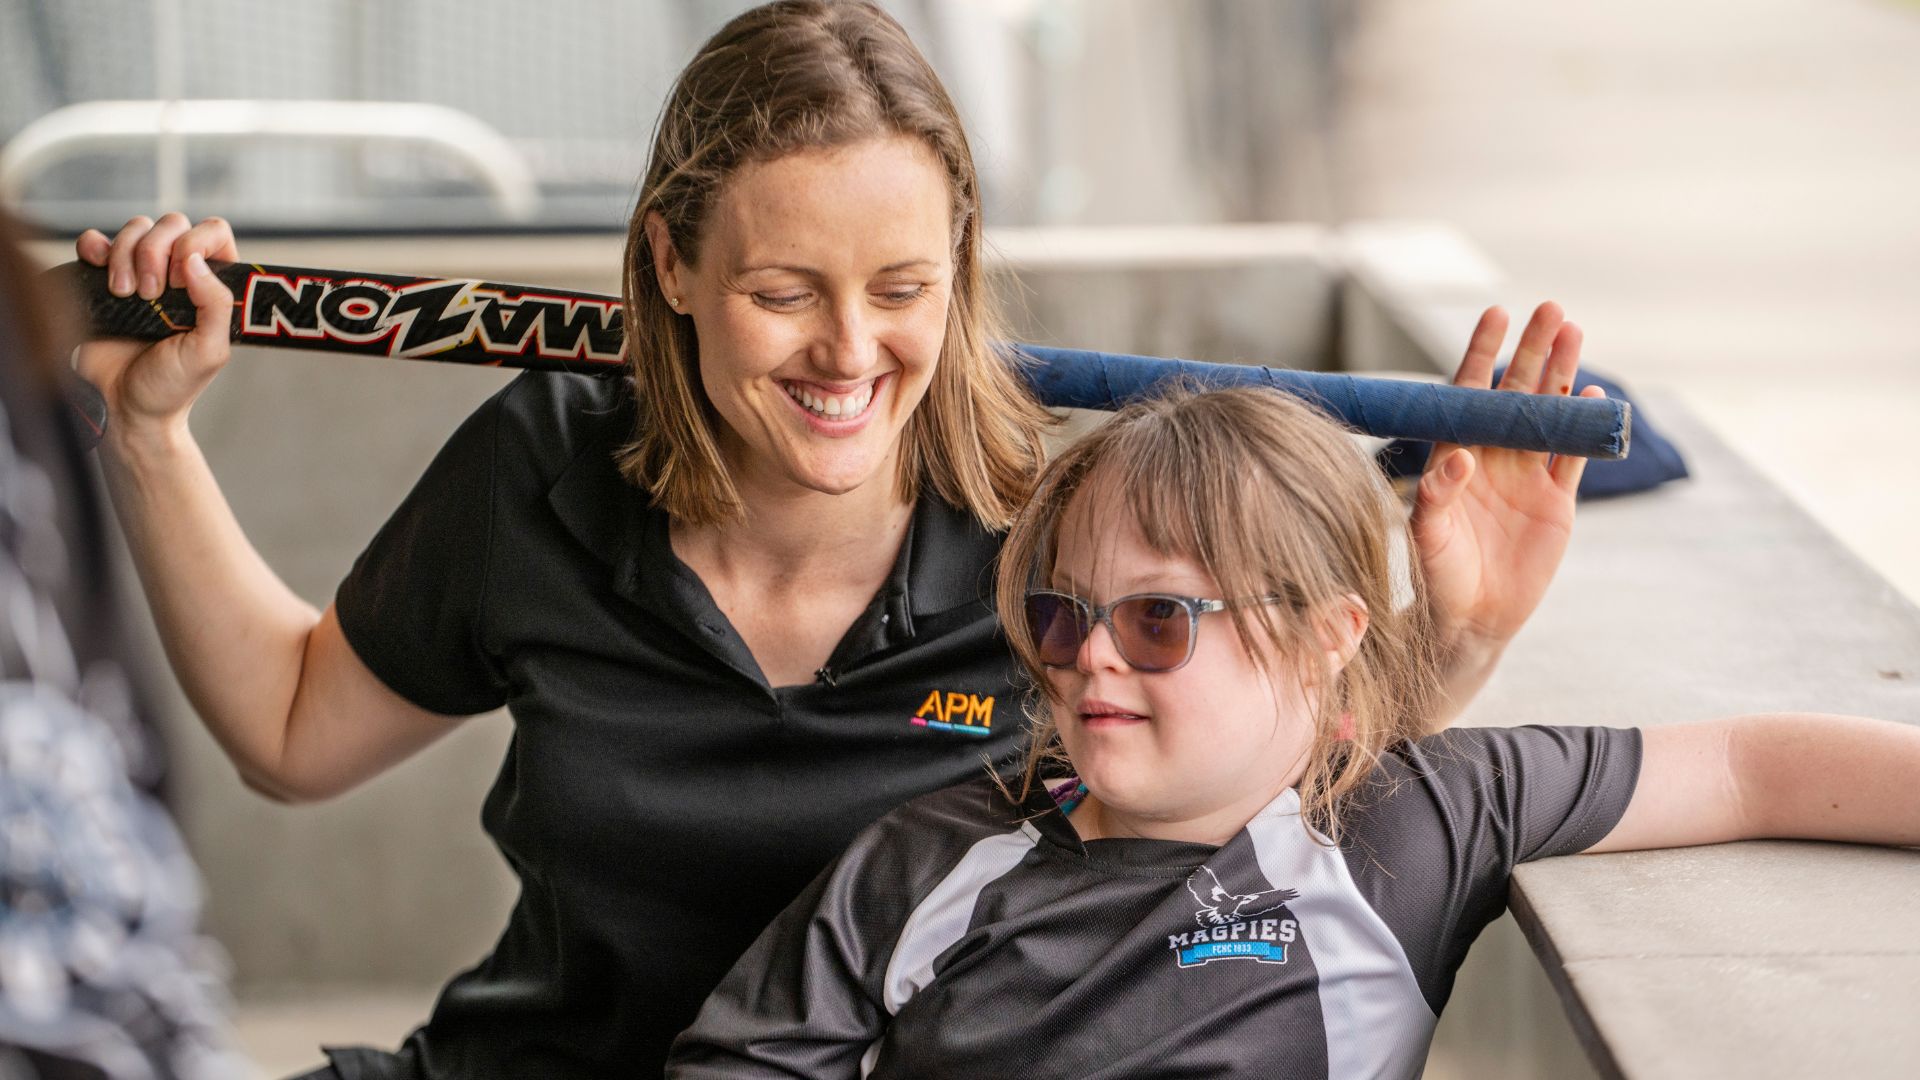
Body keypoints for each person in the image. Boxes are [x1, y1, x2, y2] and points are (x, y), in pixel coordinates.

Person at [71, 3, 1597, 1077]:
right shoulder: (548, 466)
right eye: (784, 290)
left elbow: (1260, 767)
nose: (848, 352)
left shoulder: (1054, 550)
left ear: (961, 273)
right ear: (668, 262)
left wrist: (1459, 627)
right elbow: (291, 730)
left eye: (902, 288)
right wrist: (145, 435)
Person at [665, 384, 1920, 1079]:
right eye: (1062, 615)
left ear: (1326, 635)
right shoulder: (928, 862)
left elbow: (1756, 768)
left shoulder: (1409, 823)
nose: (1092, 654)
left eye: (1160, 620)